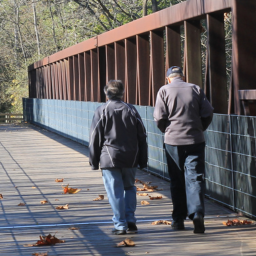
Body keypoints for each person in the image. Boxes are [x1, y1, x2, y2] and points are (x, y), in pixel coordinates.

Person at [153, 66, 214, 234]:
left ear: (168, 79)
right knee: (195, 177)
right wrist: (200, 128)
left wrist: (167, 130)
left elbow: (159, 117)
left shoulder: (164, 90)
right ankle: (197, 213)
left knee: (177, 179)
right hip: (195, 139)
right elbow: (208, 112)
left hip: (173, 141)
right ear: (182, 76)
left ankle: (178, 219)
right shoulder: (195, 88)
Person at [89, 80, 148, 235]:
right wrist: (143, 159)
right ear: (123, 92)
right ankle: (131, 220)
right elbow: (142, 135)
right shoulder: (132, 110)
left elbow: (94, 137)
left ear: (106, 93)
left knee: (115, 191)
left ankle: (120, 225)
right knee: (129, 188)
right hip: (130, 157)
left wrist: (94, 161)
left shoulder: (101, 110)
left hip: (109, 157)